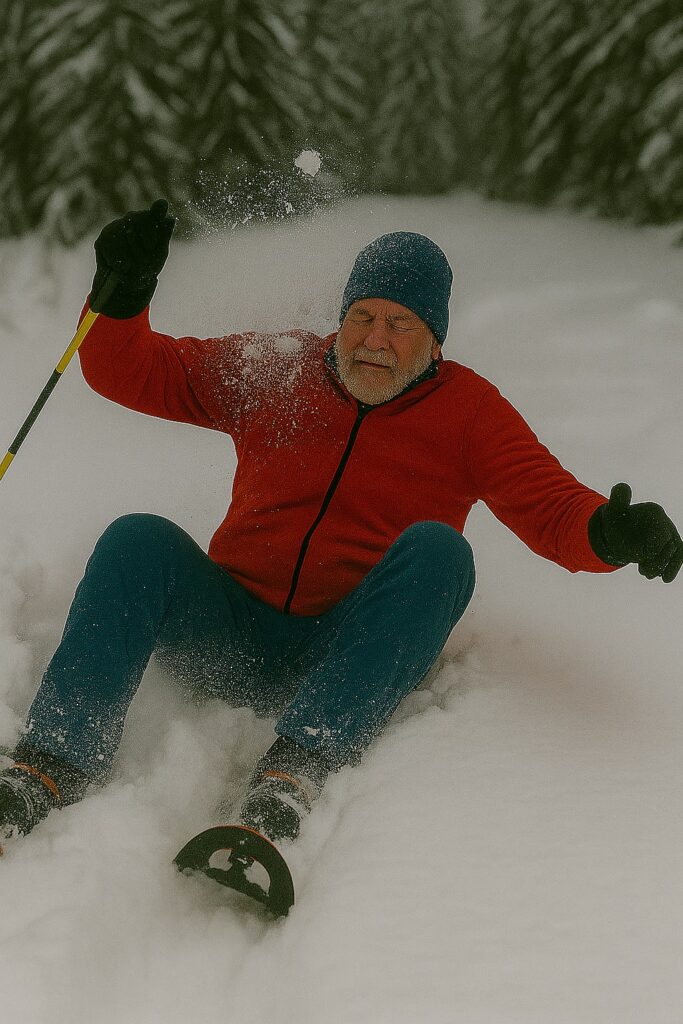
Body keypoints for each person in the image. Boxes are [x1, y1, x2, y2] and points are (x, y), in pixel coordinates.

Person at [1, 200, 681, 851]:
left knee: (440, 553)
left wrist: (609, 533)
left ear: (434, 338)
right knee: (136, 539)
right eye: (362, 317)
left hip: (343, 653)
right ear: (341, 317)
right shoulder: (278, 370)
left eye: (400, 324)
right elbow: (130, 371)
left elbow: (552, 510)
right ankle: (52, 761)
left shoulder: (468, 413)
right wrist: (123, 292)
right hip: (228, 630)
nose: (374, 341)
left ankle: (294, 768)